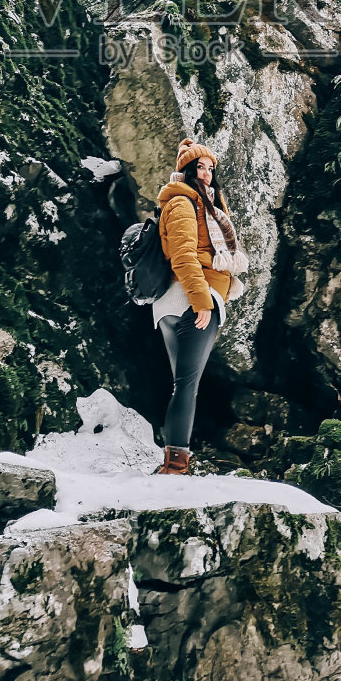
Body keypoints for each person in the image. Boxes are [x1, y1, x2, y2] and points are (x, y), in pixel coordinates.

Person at [152, 139, 248, 474]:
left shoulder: (203, 205)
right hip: (193, 299)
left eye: (210, 168)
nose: (206, 174)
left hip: (178, 302)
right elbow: (183, 256)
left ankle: (173, 461)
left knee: (183, 385)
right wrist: (202, 301)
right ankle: (176, 465)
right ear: (186, 170)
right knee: (187, 386)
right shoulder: (183, 203)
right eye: (199, 167)